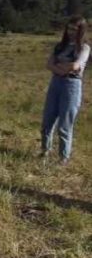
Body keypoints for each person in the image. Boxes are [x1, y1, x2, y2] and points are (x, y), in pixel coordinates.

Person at [41, 16, 89, 163]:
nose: (71, 32)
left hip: (71, 86)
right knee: (47, 120)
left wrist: (60, 67)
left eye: (75, 29)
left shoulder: (84, 48)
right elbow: (49, 64)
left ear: (81, 31)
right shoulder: (59, 46)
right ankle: (45, 150)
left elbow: (75, 66)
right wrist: (62, 69)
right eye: (69, 28)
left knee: (65, 124)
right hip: (56, 83)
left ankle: (63, 157)